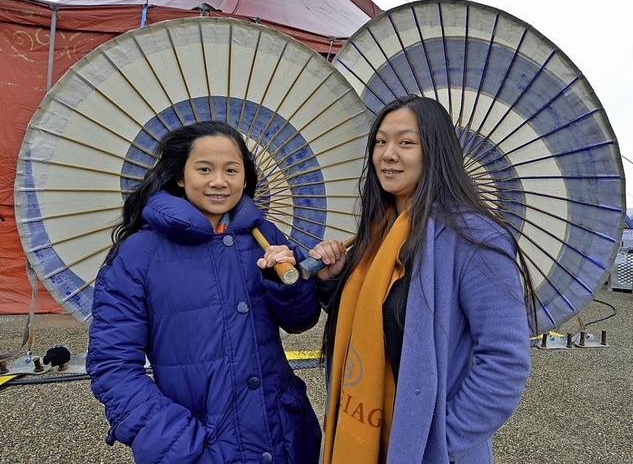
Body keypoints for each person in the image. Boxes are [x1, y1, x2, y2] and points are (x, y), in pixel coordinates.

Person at [309, 95, 538, 464]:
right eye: (380, 141)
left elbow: (505, 359)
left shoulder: (473, 237)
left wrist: (440, 440)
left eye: (406, 142)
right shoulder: (378, 232)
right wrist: (332, 281)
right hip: (363, 435)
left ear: (435, 151)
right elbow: (373, 319)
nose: (388, 154)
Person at [86, 120, 322, 464]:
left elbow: (301, 320)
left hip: (285, 437)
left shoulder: (264, 235)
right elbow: (112, 365)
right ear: (180, 176)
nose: (219, 181)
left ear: (245, 177)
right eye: (204, 169)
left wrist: (288, 282)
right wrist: (176, 441)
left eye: (231, 169)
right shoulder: (139, 254)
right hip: (201, 447)